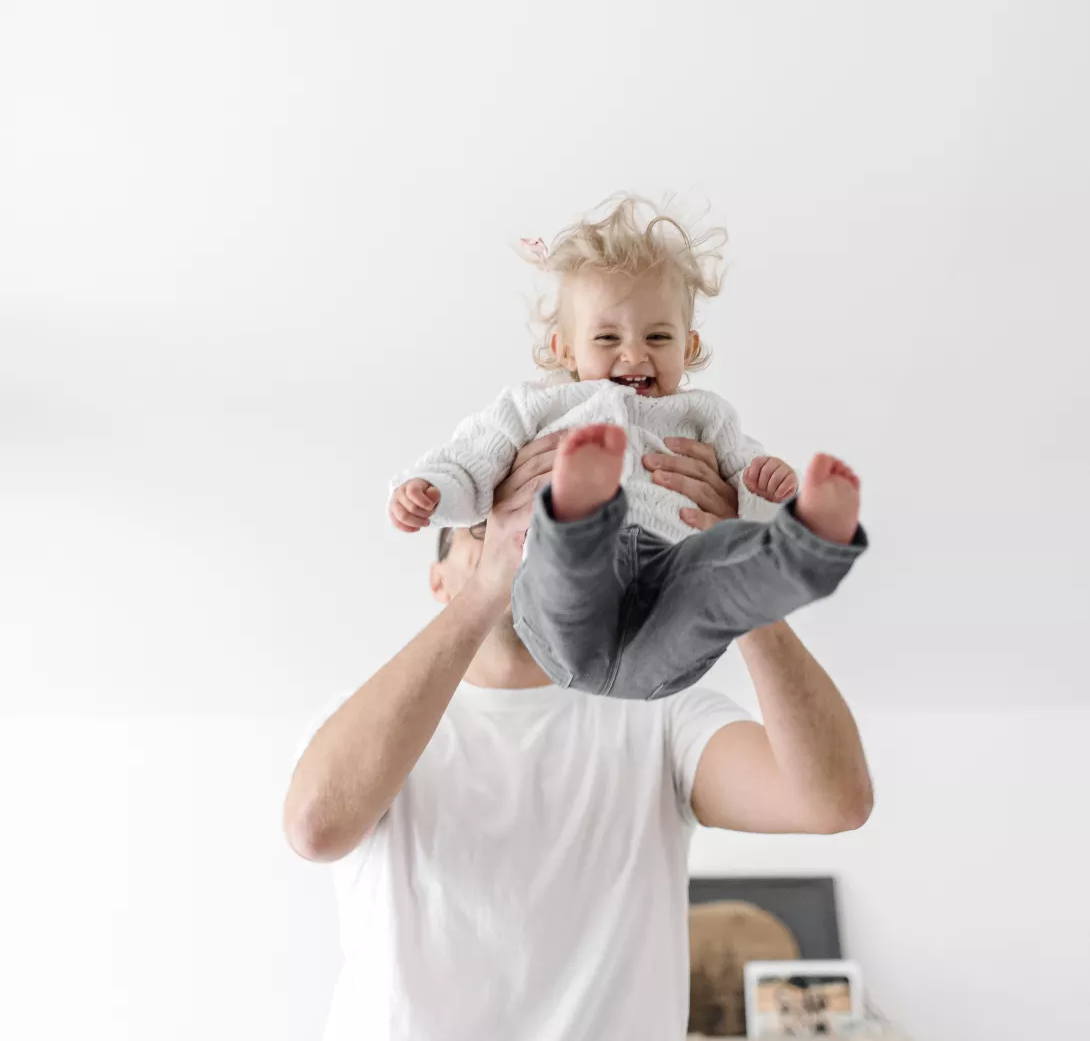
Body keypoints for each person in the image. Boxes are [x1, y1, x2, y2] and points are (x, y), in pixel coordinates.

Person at [284, 432, 874, 1041]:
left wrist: (738, 573)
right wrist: (489, 586)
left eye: (541, 521)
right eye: (485, 528)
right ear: (439, 581)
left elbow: (833, 800)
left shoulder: (660, 715)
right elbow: (315, 827)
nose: (523, 538)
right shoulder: (373, 721)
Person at [389, 195, 867, 698]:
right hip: (568, 625)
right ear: (565, 349)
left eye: (658, 336)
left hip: (672, 593)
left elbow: (747, 484)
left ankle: (806, 548)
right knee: (565, 574)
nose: (634, 352)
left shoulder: (707, 416)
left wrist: (770, 493)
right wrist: (432, 490)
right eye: (607, 337)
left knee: (722, 583)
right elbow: (473, 460)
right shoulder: (538, 407)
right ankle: (578, 518)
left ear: (689, 347)